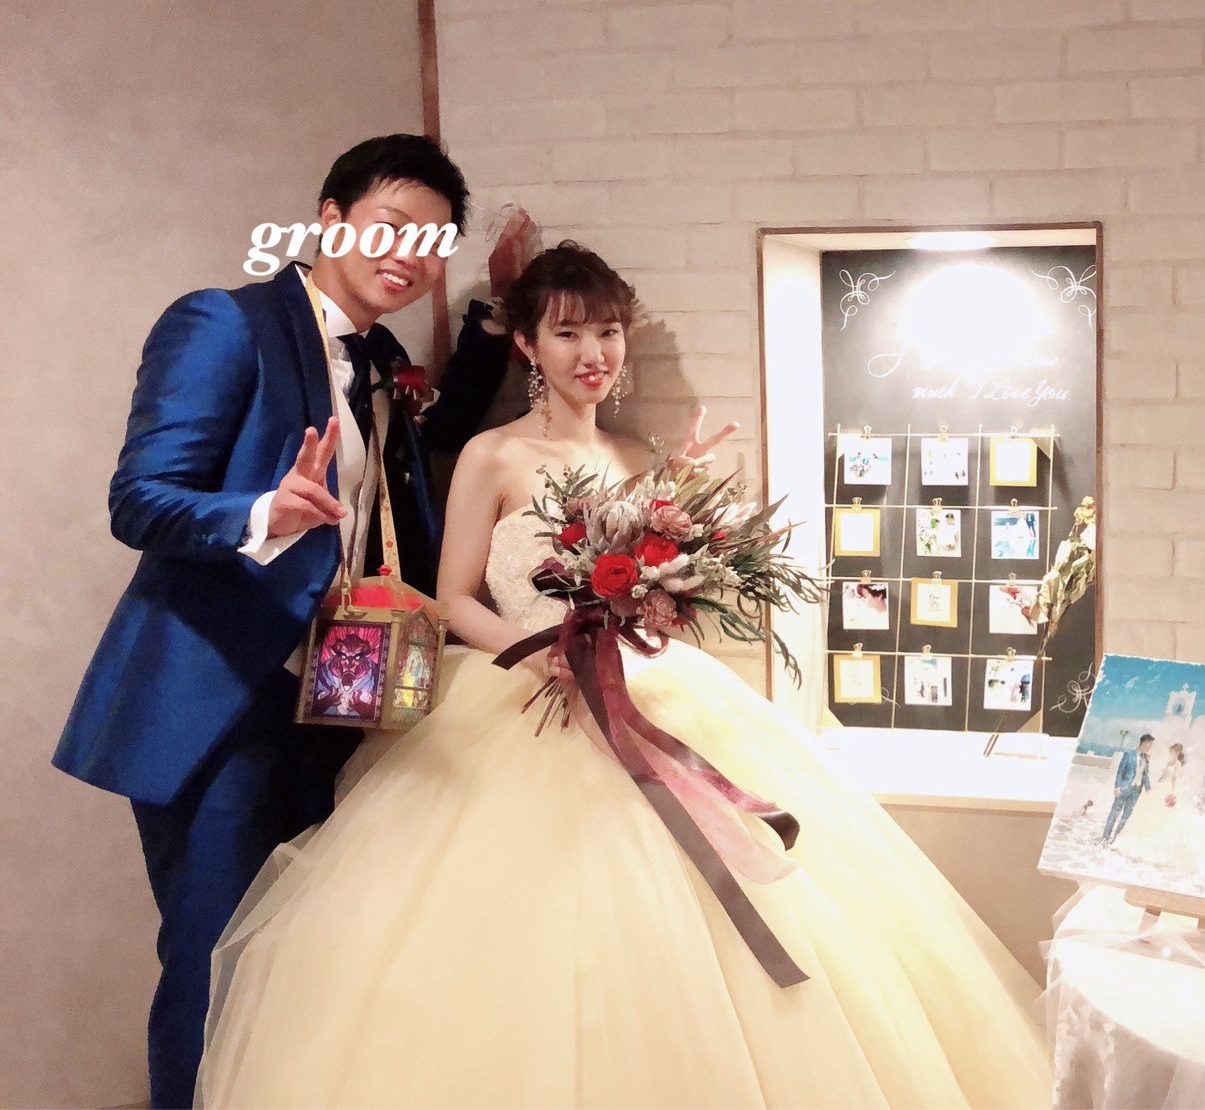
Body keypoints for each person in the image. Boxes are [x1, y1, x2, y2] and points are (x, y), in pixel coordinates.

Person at [197, 243, 1051, 1108]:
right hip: (521, 693)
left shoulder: (636, 456)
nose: (592, 353)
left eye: (607, 331)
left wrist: (669, 566)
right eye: (568, 333)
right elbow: (452, 597)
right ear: (527, 345)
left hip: (648, 690)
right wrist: (539, 654)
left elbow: (657, 596)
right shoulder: (492, 455)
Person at [53, 134, 529, 1109]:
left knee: (302, 964)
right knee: (216, 965)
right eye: (390, 226)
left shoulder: (379, 358)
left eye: (430, 242)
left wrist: (490, 321)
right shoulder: (224, 324)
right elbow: (139, 499)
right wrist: (261, 512)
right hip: (221, 707)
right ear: (330, 218)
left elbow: (428, 443)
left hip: (338, 703)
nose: (407, 254)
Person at [1112, 741, 1205, 872]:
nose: (1170, 754)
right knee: (1147, 816)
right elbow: (1162, 777)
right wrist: (1155, 787)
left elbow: (1175, 780)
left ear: (1177, 752)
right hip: (1160, 789)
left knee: (1162, 820)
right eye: (1169, 752)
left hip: (1168, 791)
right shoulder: (1169, 763)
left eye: (1171, 752)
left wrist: (1172, 794)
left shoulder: (1177, 765)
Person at [1101, 733, 1154, 846]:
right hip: (1124, 788)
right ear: (1144, 743)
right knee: (1114, 814)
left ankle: (1115, 839)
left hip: (1136, 791)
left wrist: (1148, 789)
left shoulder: (1146, 759)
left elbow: (1145, 775)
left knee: (1126, 816)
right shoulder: (1129, 754)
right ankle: (1105, 837)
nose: (1150, 747)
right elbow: (1120, 771)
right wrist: (1117, 786)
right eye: (1150, 745)